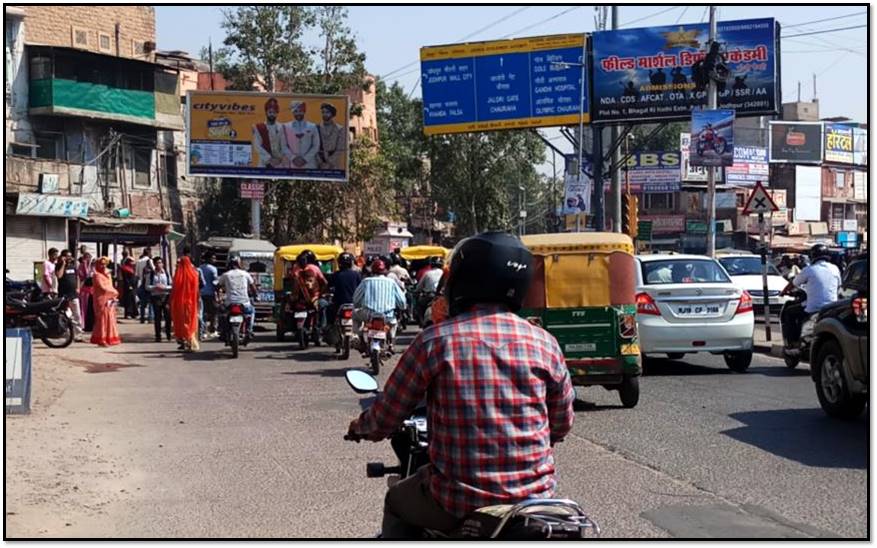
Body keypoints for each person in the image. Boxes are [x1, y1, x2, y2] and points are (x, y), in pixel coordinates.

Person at [347, 232, 574, 538]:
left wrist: (359, 427)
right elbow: (560, 424)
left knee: (396, 499)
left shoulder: (434, 341)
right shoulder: (545, 343)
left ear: (463, 282)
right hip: (536, 501)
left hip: (458, 501)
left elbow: (385, 418)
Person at [781, 244, 843, 346]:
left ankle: (793, 342)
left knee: (789, 312)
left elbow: (793, 283)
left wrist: (783, 292)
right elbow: (839, 286)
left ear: (813, 256)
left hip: (813, 307)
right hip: (831, 307)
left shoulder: (809, 270)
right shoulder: (835, 269)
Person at [352, 259, 406, 352]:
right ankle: (391, 343)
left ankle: (361, 339)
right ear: (385, 270)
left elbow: (356, 298)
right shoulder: (391, 282)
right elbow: (401, 301)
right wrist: (402, 307)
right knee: (394, 324)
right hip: (387, 315)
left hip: (368, 314)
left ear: (372, 270)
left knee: (354, 315)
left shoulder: (366, 281)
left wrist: (357, 305)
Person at [217, 257, 257, 337]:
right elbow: (253, 287)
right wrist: (256, 295)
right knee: (252, 311)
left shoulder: (226, 275)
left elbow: (218, 286)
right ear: (239, 264)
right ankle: (249, 330)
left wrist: (219, 296)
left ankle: (222, 330)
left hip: (229, 303)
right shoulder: (245, 274)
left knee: (221, 313)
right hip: (244, 303)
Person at [171, 249, 200, 352]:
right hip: (191, 303)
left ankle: (183, 341)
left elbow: (174, 290)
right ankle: (191, 342)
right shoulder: (194, 275)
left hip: (179, 304)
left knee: (181, 322)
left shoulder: (177, 276)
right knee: (190, 321)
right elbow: (197, 290)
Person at [90, 257, 121, 347]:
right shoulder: (96, 275)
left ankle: (109, 338)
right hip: (101, 300)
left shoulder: (108, 274)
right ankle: (101, 339)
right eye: (101, 264)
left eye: (104, 264)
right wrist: (115, 292)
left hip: (110, 299)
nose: (103, 266)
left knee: (110, 318)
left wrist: (113, 294)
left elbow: (110, 285)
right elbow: (102, 288)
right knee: (102, 319)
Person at [55, 249, 84, 342]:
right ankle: (67, 333)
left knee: (77, 315)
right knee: (66, 315)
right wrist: (63, 264)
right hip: (64, 295)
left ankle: (78, 334)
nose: (69, 258)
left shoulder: (73, 266)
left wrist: (78, 287)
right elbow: (59, 276)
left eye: (70, 256)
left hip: (74, 294)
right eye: (67, 256)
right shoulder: (58, 266)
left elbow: (77, 277)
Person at [252, 97, 288, 168]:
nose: (272, 114)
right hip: (264, 163)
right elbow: (257, 146)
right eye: (270, 112)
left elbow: (284, 145)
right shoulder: (258, 127)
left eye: (274, 112)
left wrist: (280, 158)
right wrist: (269, 159)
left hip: (279, 163)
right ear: (266, 112)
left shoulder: (282, 127)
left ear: (277, 113)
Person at [282, 101, 319, 170]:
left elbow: (316, 145)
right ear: (293, 112)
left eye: (300, 111)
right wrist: (293, 158)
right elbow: (283, 145)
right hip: (292, 163)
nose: (298, 113)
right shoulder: (286, 126)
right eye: (296, 111)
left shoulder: (312, 126)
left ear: (304, 111)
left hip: (309, 163)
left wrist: (305, 159)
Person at [327, 252, 362, 325]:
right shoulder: (356, 274)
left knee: (329, 316)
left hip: (339, 304)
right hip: (354, 303)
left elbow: (329, 287)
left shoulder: (336, 275)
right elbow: (360, 288)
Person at [147, 257, 173, 343]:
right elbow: (147, 287)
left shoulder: (167, 274)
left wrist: (165, 287)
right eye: (157, 263)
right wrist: (155, 287)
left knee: (168, 317)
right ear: (154, 264)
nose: (159, 265)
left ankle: (168, 334)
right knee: (157, 318)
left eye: (160, 263)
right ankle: (158, 336)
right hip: (156, 297)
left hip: (166, 297)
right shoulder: (150, 274)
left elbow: (171, 285)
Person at [317, 102, 346, 170]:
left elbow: (340, 148)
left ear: (332, 114)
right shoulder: (317, 128)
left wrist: (329, 162)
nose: (325, 114)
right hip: (319, 165)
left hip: (334, 165)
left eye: (327, 112)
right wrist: (320, 162)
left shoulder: (340, 129)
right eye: (323, 112)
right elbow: (313, 146)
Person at [199, 252, 220, 337]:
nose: (215, 260)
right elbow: (215, 282)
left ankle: (203, 331)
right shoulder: (213, 269)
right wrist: (217, 293)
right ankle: (212, 330)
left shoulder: (199, 268)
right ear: (208, 259)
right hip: (211, 293)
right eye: (213, 258)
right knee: (213, 312)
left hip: (201, 293)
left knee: (202, 313)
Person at [77, 251, 95, 332]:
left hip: (92, 290)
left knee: (91, 308)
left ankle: (91, 325)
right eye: (86, 258)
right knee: (84, 308)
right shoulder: (81, 266)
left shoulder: (92, 267)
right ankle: (85, 325)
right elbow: (82, 277)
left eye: (89, 258)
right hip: (84, 290)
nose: (88, 259)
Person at [136, 248, 155, 323]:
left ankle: (142, 317)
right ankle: (150, 317)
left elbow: (137, 274)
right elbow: (154, 269)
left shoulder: (138, 261)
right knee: (150, 301)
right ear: (149, 253)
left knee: (142, 302)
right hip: (149, 282)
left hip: (141, 283)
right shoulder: (149, 260)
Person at [119, 251, 138, 319]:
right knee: (128, 300)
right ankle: (128, 313)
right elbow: (126, 279)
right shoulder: (125, 269)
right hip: (128, 287)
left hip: (133, 286)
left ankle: (133, 313)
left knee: (133, 300)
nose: (133, 263)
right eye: (131, 262)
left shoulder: (131, 268)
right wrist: (129, 285)